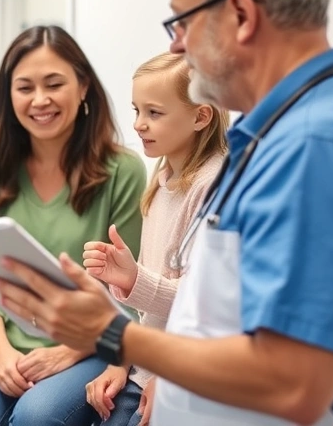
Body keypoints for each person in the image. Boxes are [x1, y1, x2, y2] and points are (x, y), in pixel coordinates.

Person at [0, 0, 333, 426]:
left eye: (182, 21)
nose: (176, 43)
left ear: (240, 14)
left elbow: (293, 381)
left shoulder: (321, 146)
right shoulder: (274, 135)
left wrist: (113, 335)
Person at [0, 25, 147, 426]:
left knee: (37, 416)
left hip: (91, 343)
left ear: (83, 86)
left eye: (54, 84)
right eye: (25, 87)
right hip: (3, 342)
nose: (40, 100)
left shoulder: (123, 171)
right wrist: (1, 355)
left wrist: (67, 352)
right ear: (8, 95)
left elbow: (132, 295)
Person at [78, 52, 228, 426]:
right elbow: (149, 310)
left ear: (200, 116)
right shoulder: (159, 182)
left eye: (154, 113)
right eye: (136, 111)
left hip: (181, 369)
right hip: (148, 363)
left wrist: (133, 281)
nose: (139, 125)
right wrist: (121, 357)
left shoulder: (213, 185)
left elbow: (203, 304)